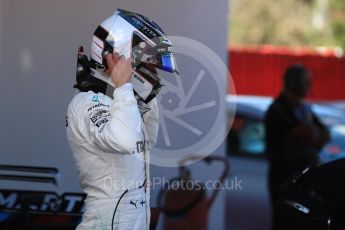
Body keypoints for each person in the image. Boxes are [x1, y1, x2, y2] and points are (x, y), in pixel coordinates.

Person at [66, 9, 178, 230]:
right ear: (117, 55)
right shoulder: (87, 103)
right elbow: (125, 141)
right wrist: (125, 86)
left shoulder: (119, 100)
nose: (154, 70)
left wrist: (147, 99)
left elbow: (145, 143)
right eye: (150, 62)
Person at [264, 64, 330, 230]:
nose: (310, 87)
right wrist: (312, 135)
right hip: (284, 181)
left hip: (303, 181)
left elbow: (324, 134)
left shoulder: (304, 109)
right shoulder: (278, 110)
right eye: (306, 82)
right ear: (293, 83)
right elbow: (308, 135)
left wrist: (313, 135)